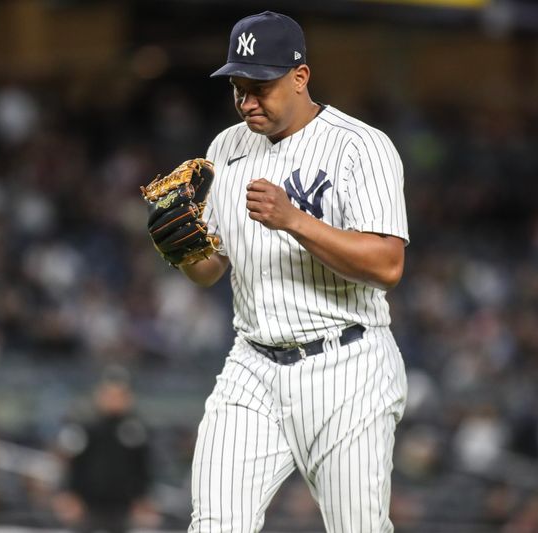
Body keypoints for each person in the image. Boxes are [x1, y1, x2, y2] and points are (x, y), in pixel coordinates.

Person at [179, 11, 409, 532]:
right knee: (214, 524)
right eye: (238, 87)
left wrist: (294, 221)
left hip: (346, 366)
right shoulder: (226, 147)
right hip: (251, 365)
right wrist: (181, 247)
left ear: (300, 77)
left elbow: (388, 265)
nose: (246, 102)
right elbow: (211, 271)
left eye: (260, 86)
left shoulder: (361, 146)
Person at [55, 370, 152, 533]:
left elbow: (143, 465)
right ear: (99, 396)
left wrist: (143, 498)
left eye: (119, 395)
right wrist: (68, 493)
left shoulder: (135, 429)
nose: (114, 400)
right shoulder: (85, 427)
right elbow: (73, 463)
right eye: (109, 395)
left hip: (123, 505)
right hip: (87, 503)